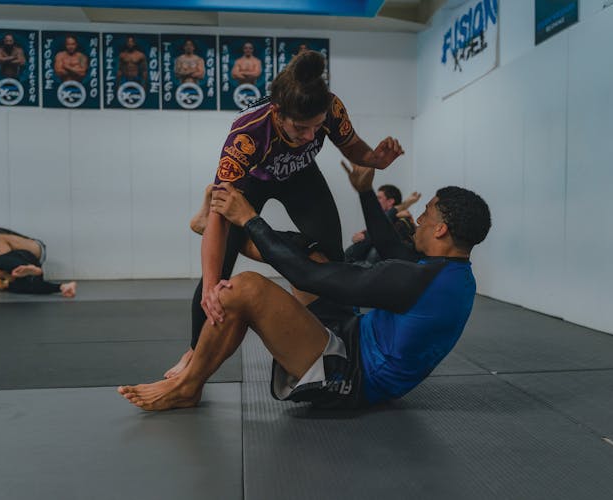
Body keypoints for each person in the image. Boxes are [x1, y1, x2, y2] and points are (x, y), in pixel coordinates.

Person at [117, 162, 491, 411]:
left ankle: (188, 386)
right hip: (356, 337)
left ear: (441, 229)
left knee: (245, 288)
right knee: (312, 255)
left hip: (352, 375)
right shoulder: (451, 271)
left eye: (427, 213)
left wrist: (250, 218)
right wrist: (364, 190)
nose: (421, 217)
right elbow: (389, 245)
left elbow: (306, 279)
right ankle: (221, 233)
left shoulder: (416, 281)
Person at [165, 50, 404, 379]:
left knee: (332, 257)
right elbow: (222, 212)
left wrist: (375, 159)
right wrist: (209, 285)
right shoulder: (246, 137)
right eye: (300, 129)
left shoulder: (330, 108)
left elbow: (353, 148)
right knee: (218, 274)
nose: (310, 136)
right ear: (278, 113)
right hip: (253, 183)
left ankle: (338, 333)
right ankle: (193, 352)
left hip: (301, 176)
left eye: (316, 128)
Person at [345, 177, 421, 265]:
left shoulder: (401, 222)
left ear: (390, 202)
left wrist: (365, 236)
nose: (375, 201)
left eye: (379, 198)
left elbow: (380, 235)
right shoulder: (388, 221)